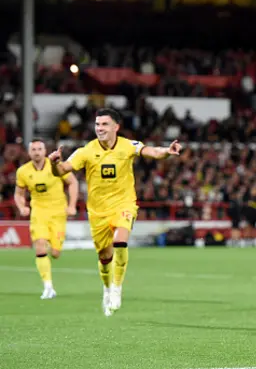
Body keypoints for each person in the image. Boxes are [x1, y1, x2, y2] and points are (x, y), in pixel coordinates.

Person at [48, 108, 182, 316]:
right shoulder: (86, 151)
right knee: (104, 257)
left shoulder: (127, 145)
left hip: (124, 204)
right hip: (98, 212)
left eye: (104, 124)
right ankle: (107, 288)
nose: (99, 128)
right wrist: (53, 162)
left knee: (120, 241)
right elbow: (62, 171)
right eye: (97, 124)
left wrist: (167, 151)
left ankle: (117, 288)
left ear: (116, 127)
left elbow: (152, 152)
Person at [14, 139, 79, 299]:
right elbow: (19, 193)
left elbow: (72, 182)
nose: (36, 152)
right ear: (29, 153)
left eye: (39, 149)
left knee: (55, 253)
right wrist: (22, 207)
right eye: (33, 149)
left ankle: (52, 246)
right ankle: (48, 287)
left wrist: (72, 205)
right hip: (38, 213)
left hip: (58, 213)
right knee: (40, 246)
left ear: (44, 151)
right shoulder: (23, 171)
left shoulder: (55, 166)